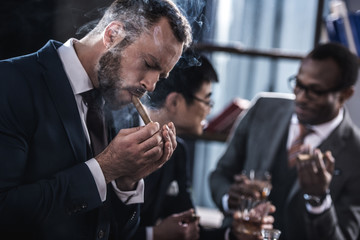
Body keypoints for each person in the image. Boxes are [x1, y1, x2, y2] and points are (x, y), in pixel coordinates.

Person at [0, 0, 192, 239]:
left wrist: (128, 180)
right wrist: (105, 168)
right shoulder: (10, 82)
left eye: (161, 75)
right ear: (112, 35)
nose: (151, 85)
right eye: (149, 64)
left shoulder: (125, 109)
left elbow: (116, 233)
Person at [209, 42, 360, 240]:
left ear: (345, 95)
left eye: (315, 91)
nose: (301, 98)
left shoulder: (355, 154)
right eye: (298, 84)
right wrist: (231, 199)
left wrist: (319, 199)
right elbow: (220, 174)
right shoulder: (263, 108)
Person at [131, 54, 274, 240]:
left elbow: (192, 231)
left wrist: (233, 234)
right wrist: (152, 235)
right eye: (206, 101)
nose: (209, 110)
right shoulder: (124, 142)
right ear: (175, 102)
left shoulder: (178, 151)